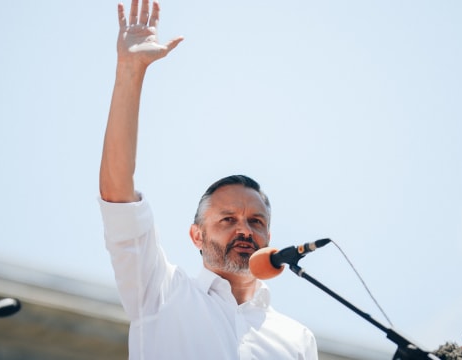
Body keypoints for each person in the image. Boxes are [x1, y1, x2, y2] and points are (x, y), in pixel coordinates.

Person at [98, 1, 318, 358]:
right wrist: (130, 69)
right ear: (196, 234)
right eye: (228, 219)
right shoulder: (160, 293)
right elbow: (117, 195)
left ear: (269, 238)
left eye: (256, 221)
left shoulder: (297, 339)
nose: (245, 230)